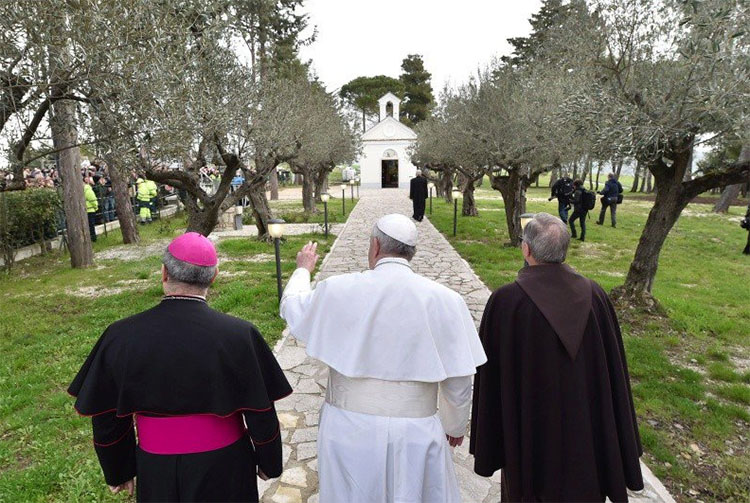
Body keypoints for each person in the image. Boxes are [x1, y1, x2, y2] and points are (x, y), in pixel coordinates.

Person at [68, 233, 292, 502]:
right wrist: (269, 461)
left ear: (163, 273)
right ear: (214, 276)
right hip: (225, 466)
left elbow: (107, 415)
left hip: (155, 468)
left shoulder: (120, 336)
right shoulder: (239, 335)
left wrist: (118, 469)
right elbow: (260, 409)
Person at [280, 214, 487, 503]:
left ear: (375, 246)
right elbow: (460, 376)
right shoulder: (447, 300)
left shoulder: (337, 288)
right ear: (411, 253)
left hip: (349, 429)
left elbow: (292, 308)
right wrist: (454, 425)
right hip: (417, 431)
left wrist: (303, 270)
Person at [470, 213, 644, 502]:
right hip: (586, 436)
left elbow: (491, 380)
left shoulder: (506, 302)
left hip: (528, 439)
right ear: (565, 250)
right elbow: (613, 375)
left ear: (526, 250)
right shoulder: (596, 296)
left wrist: (493, 443)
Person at [84, 177, 99, 242]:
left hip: (86, 209)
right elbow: (93, 199)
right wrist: (96, 206)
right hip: (91, 209)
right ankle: (93, 238)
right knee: (91, 225)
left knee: (88, 225)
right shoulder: (89, 190)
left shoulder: (84, 190)